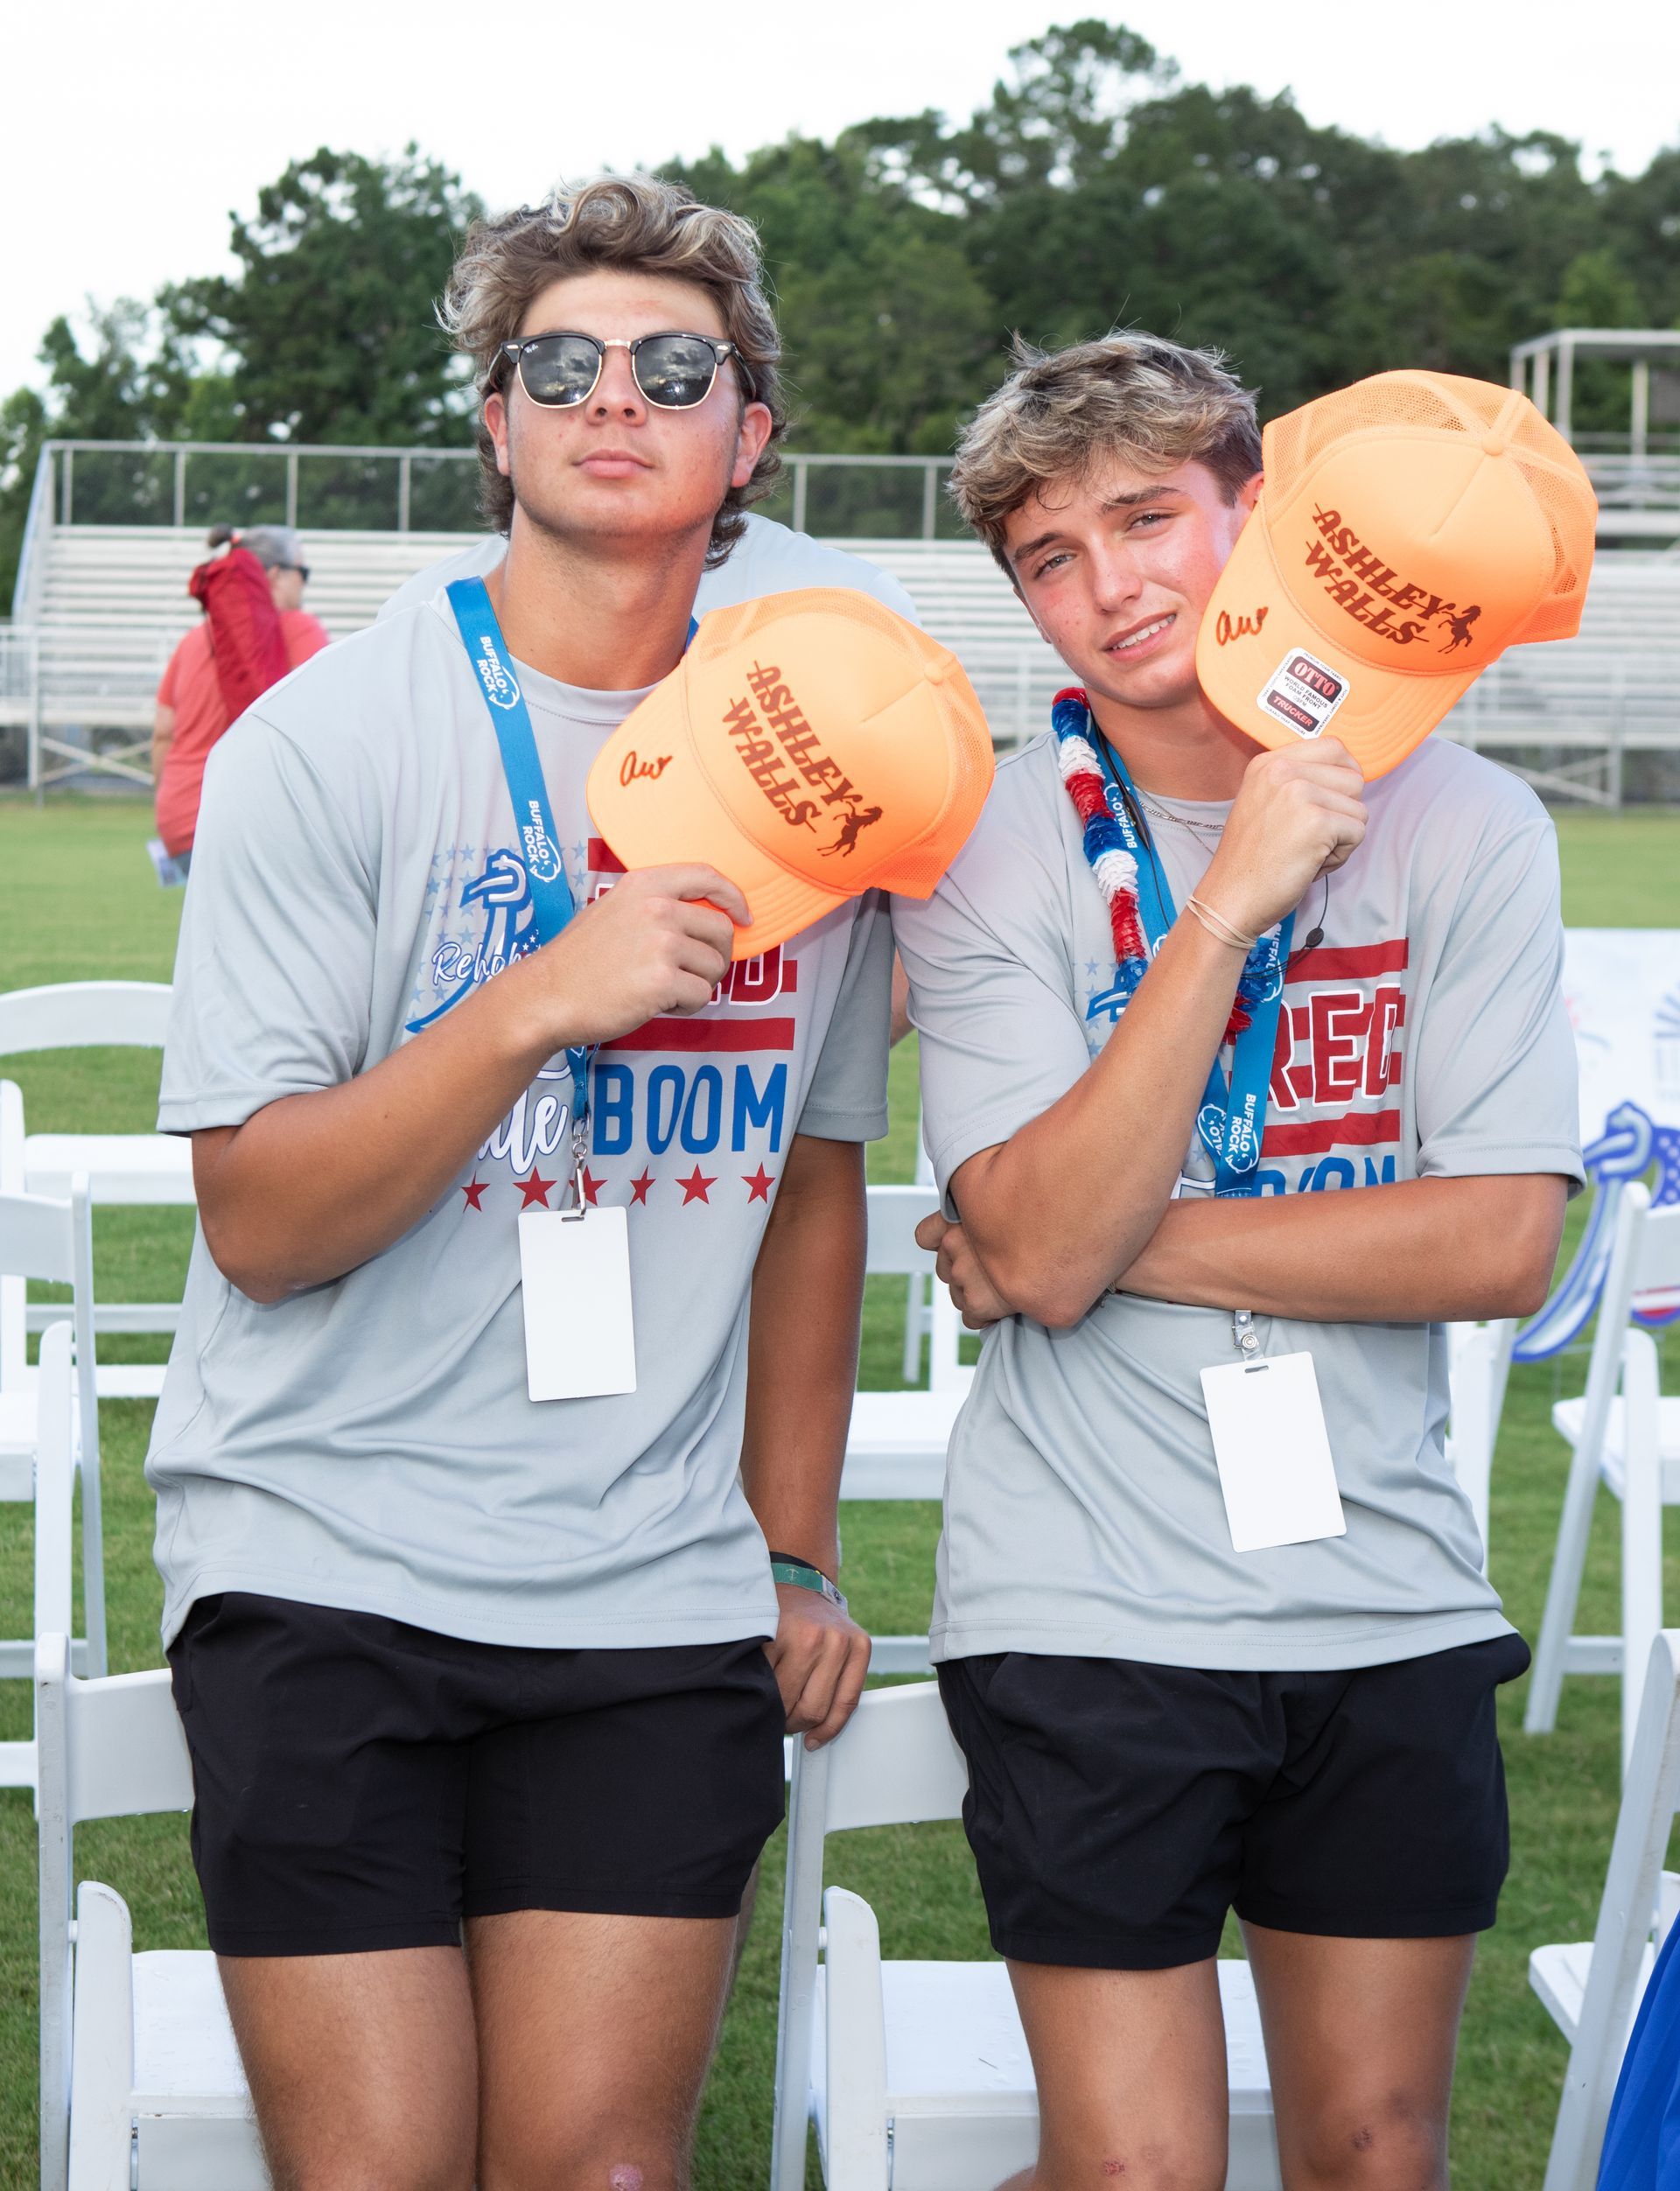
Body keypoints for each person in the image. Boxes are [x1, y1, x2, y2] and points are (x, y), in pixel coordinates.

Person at [149, 173, 886, 2191]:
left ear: (748, 431)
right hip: (325, 1547)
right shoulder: (331, 742)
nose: (613, 394)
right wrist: (529, 1008)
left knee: (609, 2171)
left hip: (645, 1571)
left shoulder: (819, 763)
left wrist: (796, 1544)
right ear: (494, 420)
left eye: (677, 365)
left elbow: (815, 1182)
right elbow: (261, 1222)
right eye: (557, 362)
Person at [893, 335, 1587, 2191]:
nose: (1109, 583)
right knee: (1136, 2174)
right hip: (1087, 1601)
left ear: (1253, 516)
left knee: (1375, 2157)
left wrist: (1099, 1237)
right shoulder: (986, 850)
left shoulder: (1471, 825)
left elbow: (1503, 1236)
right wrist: (1226, 905)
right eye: (1050, 555)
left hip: (1388, 1594)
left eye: (1146, 518)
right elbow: (1034, 1238)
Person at [151, 523, 327, 871]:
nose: (305, 583)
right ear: (276, 574)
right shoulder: (299, 628)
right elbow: (327, 723)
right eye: (302, 572)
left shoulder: (192, 642)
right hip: (244, 821)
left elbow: (162, 734)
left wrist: (170, 804)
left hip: (179, 823)